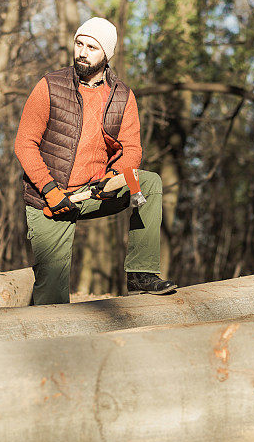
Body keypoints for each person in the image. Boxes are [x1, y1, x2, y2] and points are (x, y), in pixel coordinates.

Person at [14, 16, 176, 305]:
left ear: (107, 54)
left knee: (148, 182)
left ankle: (141, 275)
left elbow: (132, 150)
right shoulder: (50, 86)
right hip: (48, 198)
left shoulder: (122, 96)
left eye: (92, 47)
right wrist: (50, 191)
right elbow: (24, 144)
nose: (83, 52)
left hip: (95, 191)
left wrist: (114, 177)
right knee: (51, 299)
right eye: (79, 44)